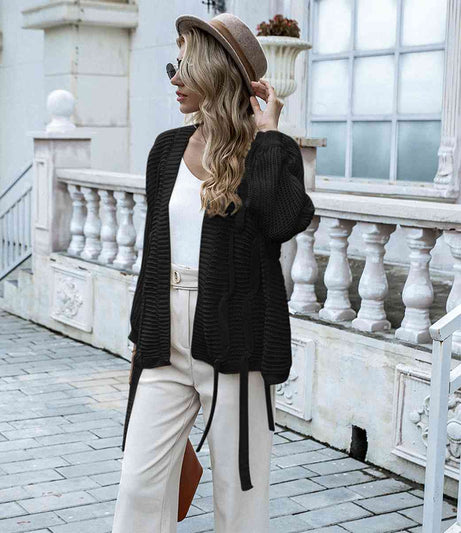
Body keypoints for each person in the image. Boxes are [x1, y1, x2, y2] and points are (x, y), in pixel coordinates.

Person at [112, 12, 315, 533]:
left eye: (185, 66)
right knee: (138, 485)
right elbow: (154, 253)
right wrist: (139, 337)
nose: (175, 78)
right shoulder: (166, 150)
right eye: (173, 66)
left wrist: (271, 136)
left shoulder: (264, 151)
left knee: (238, 495)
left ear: (215, 73)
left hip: (237, 341)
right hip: (164, 337)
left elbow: (285, 220)